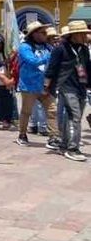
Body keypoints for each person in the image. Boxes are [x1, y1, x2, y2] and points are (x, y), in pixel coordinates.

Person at [45, 21, 91, 162]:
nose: (85, 36)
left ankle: (64, 144)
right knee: (75, 116)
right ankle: (73, 148)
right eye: (82, 34)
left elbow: (88, 68)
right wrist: (46, 86)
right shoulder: (60, 49)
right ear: (74, 35)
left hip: (81, 86)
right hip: (65, 85)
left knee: (71, 117)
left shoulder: (84, 49)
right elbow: (52, 68)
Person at [15, 21, 61, 149]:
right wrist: (50, 57)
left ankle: (54, 137)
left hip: (45, 85)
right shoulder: (24, 47)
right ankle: (22, 134)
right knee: (26, 111)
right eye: (43, 32)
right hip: (29, 85)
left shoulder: (48, 47)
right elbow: (32, 61)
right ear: (34, 34)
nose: (46, 34)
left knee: (52, 110)